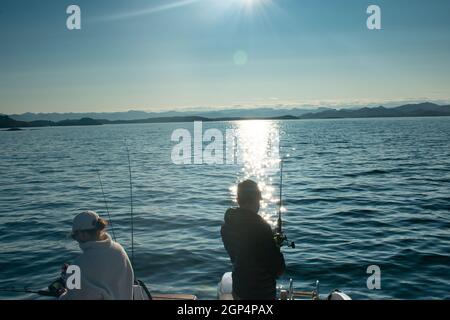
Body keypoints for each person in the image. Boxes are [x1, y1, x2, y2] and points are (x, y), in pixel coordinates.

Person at [221, 180, 286, 300]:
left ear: (238, 199)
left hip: (240, 289)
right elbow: (278, 269)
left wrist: (270, 241)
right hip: (261, 294)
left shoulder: (227, 226)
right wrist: (275, 246)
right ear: (255, 199)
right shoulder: (261, 228)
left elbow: (242, 253)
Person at [59, 210, 134, 300]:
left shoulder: (76, 266)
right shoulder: (119, 249)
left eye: (74, 235)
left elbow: (74, 297)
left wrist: (63, 295)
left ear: (83, 234)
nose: (75, 239)